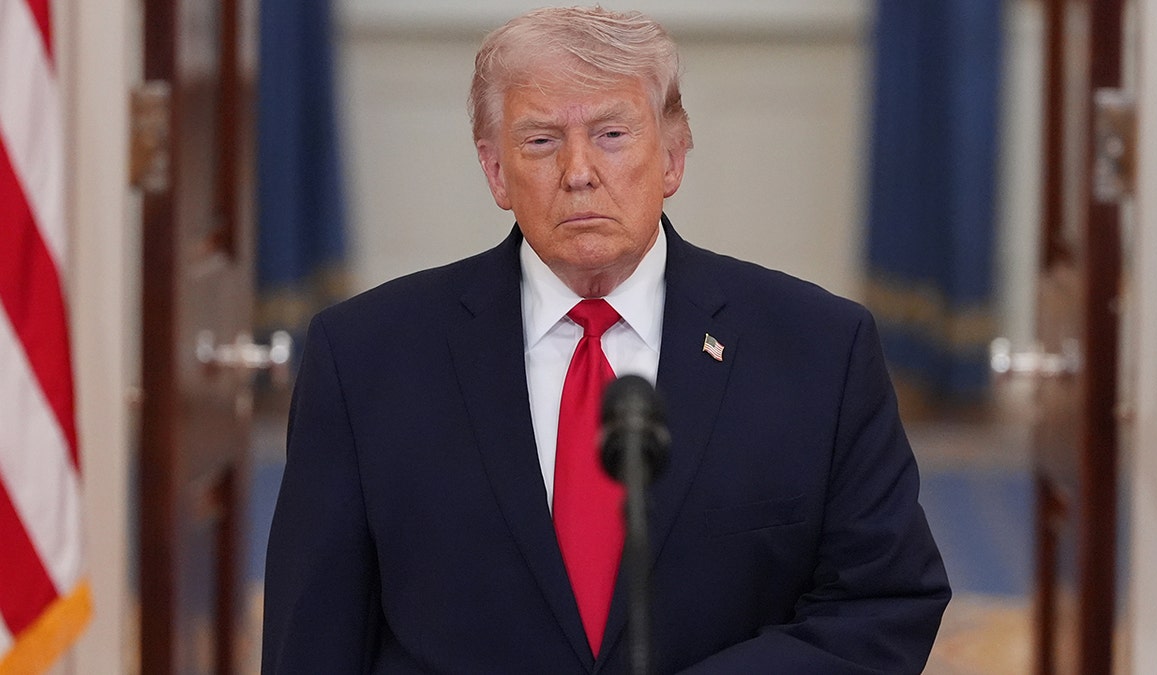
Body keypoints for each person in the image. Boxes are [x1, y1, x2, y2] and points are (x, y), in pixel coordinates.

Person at [262, 6, 950, 674]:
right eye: (540, 141)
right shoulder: (363, 360)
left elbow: (881, 601)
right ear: (496, 171)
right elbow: (315, 636)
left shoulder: (820, 350)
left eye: (612, 134)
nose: (579, 171)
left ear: (674, 157)